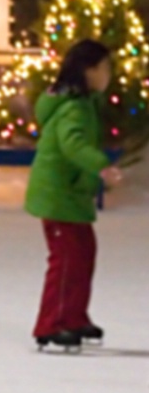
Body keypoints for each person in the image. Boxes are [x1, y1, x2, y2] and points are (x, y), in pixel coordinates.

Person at [25, 39, 122, 351]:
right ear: (88, 71)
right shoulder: (74, 107)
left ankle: (73, 316)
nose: (109, 75)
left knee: (83, 253)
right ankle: (50, 323)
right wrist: (101, 167)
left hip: (71, 195)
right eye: (105, 68)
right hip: (58, 195)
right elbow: (73, 144)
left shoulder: (84, 102)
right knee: (66, 259)